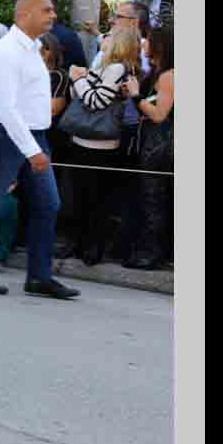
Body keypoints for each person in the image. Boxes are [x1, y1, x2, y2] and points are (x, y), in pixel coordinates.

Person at [0, 0, 78, 299]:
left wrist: (36, 145)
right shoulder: (6, 52)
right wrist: (33, 151)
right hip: (7, 137)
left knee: (48, 204)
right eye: (46, 10)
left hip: (33, 136)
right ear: (25, 15)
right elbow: (7, 109)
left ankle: (39, 277)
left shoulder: (33, 48)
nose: (53, 15)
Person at [62, 16, 143, 267]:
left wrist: (78, 79)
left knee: (95, 198)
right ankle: (81, 243)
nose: (103, 38)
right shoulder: (105, 66)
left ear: (117, 43)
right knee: (82, 196)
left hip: (98, 144)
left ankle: (92, 246)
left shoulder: (117, 68)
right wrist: (80, 80)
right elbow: (79, 95)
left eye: (108, 35)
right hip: (84, 139)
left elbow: (96, 101)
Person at [125, 20, 174, 270]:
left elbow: (159, 114)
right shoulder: (160, 73)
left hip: (160, 144)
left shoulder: (168, 76)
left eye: (149, 41)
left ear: (161, 46)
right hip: (158, 143)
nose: (144, 45)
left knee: (154, 199)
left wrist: (136, 95)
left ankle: (153, 254)